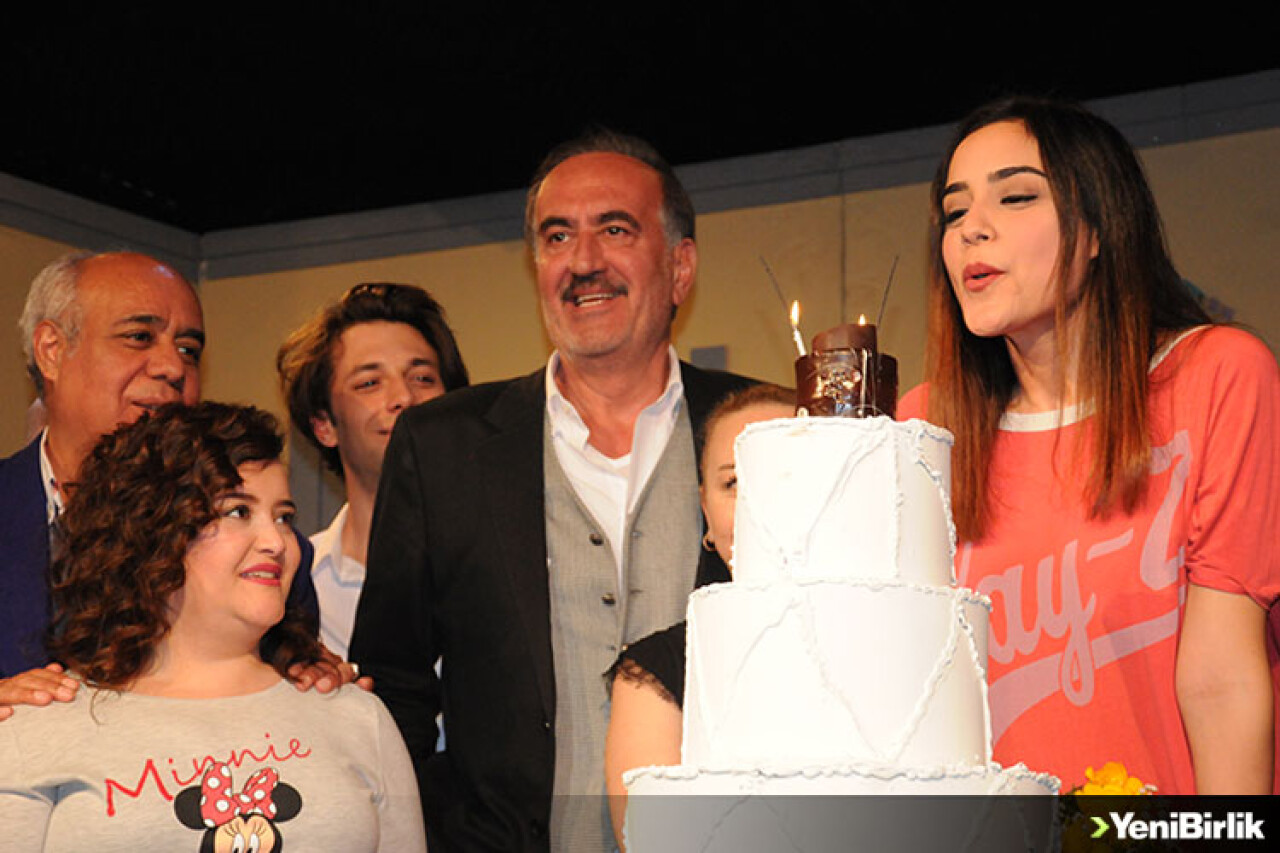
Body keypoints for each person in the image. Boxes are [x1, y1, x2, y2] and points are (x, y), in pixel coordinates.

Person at [349, 129, 755, 851]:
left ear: (680, 266)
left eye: (616, 230)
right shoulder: (442, 445)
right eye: (557, 236)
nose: (583, 261)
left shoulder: (764, 431)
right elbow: (393, 688)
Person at [896, 95, 1280, 794]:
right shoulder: (922, 426)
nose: (972, 229)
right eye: (953, 212)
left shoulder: (1217, 377)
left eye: (1015, 197)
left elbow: (1222, 680)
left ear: (1099, 227)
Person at [0, 402, 426, 851]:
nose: (276, 542)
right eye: (238, 511)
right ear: (153, 529)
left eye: (283, 517)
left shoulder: (357, 718)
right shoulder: (38, 726)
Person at [0, 251, 329, 720]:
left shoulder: (266, 556)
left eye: (189, 350)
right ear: (51, 349)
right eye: (140, 337)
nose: (173, 368)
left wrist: (316, 681)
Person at [604, 383, 794, 849]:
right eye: (734, 483)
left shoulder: (911, 636)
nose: (759, 501)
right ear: (705, 508)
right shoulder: (660, 672)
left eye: (786, 473)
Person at [278, 282, 470, 659]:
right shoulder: (295, 586)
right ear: (324, 425)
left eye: (423, 378)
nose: (404, 398)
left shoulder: (509, 563)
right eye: (369, 383)